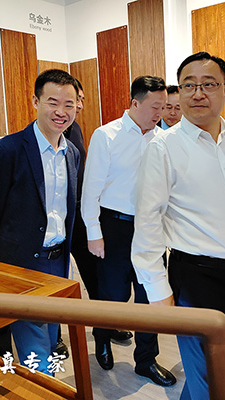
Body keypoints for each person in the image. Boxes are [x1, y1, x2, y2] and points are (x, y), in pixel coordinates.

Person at [131, 52, 225, 399]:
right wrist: (157, 289)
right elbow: (148, 221)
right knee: (211, 381)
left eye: (208, 84)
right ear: (179, 92)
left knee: (218, 369)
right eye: (189, 85)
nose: (198, 93)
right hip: (195, 280)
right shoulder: (163, 147)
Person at [0, 69, 80, 375]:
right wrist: (5, 253)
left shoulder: (71, 152)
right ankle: (45, 388)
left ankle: (45, 384)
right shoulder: (8, 149)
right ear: (35, 101)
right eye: (52, 102)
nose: (61, 112)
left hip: (58, 259)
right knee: (35, 344)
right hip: (20, 261)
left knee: (51, 332)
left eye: (69, 104)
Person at [81, 75, 176, 386]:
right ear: (135, 103)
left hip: (151, 229)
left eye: (164, 107)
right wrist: (93, 232)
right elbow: (91, 189)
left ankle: (146, 360)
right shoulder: (106, 135)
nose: (160, 113)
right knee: (112, 295)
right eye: (154, 106)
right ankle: (102, 339)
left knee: (150, 296)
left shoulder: (164, 139)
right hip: (115, 226)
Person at [62, 79, 133, 350]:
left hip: (80, 213)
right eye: (73, 100)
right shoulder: (45, 132)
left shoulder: (75, 128)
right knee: (57, 279)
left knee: (94, 275)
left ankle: (105, 325)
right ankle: (55, 335)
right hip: (55, 218)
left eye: (79, 100)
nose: (78, 105)